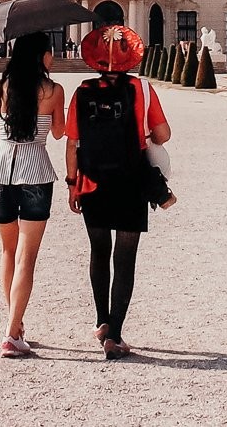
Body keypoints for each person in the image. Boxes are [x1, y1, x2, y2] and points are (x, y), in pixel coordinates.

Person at [66, 24, 173, 360]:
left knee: (99, 252)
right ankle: (115, 333)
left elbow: (72, 143)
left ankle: (100, 321)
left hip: (92, 182)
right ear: (131, 59)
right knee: (124, 260)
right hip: (131, 181)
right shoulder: (142, 89)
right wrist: (146, 136)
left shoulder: (82, 91)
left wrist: (72, 185)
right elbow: (164, 134)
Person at [0, 31, 65, 358]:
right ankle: (12, 333)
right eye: (50, 52)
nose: (53, 58)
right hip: (36, 174)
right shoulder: (53, 91)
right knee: (26, 258)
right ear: (41, 56)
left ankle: (15, 326)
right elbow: (58, 133)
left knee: (8, 252)